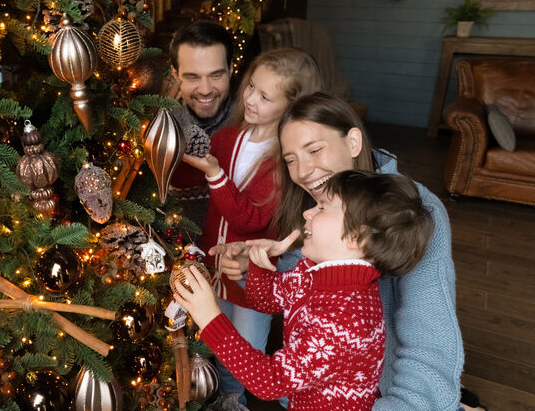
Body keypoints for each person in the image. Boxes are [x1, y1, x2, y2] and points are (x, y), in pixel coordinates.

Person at [211, 92, 464, 411]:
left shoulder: (416, 211)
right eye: (290, 159)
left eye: (314, 149)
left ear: (354, 142)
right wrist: (255, 266)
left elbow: (428, 357)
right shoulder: (311, 210)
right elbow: (296, 298)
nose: (302, 172)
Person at [174, 169, 435, 410]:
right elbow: (266, 300)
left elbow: (270, 382)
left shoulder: (347, 321)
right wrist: (259, 263)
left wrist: (210, 319)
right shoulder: (316, 273)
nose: (307, 213)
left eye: (322, 208)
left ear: (358, 236)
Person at [179, 48, 323, 410]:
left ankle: (234, 399)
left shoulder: (281, 159)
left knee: (245, 343)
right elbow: (186, 174)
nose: (251, 99)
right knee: (214, 331)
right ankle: (217, 392)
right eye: (251, 88)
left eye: (265, 96)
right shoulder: (228, 139)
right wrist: (171, 150)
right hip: (215, 262)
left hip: (252, 273)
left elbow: (251, 219)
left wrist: (214, 173)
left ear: (290, 106)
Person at [167, 20, 237, 223]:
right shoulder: (161, 131)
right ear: (175, 74)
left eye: (216, 75)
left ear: (231, 69)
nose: (205, 90)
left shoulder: (255, 127)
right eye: (192, 77)